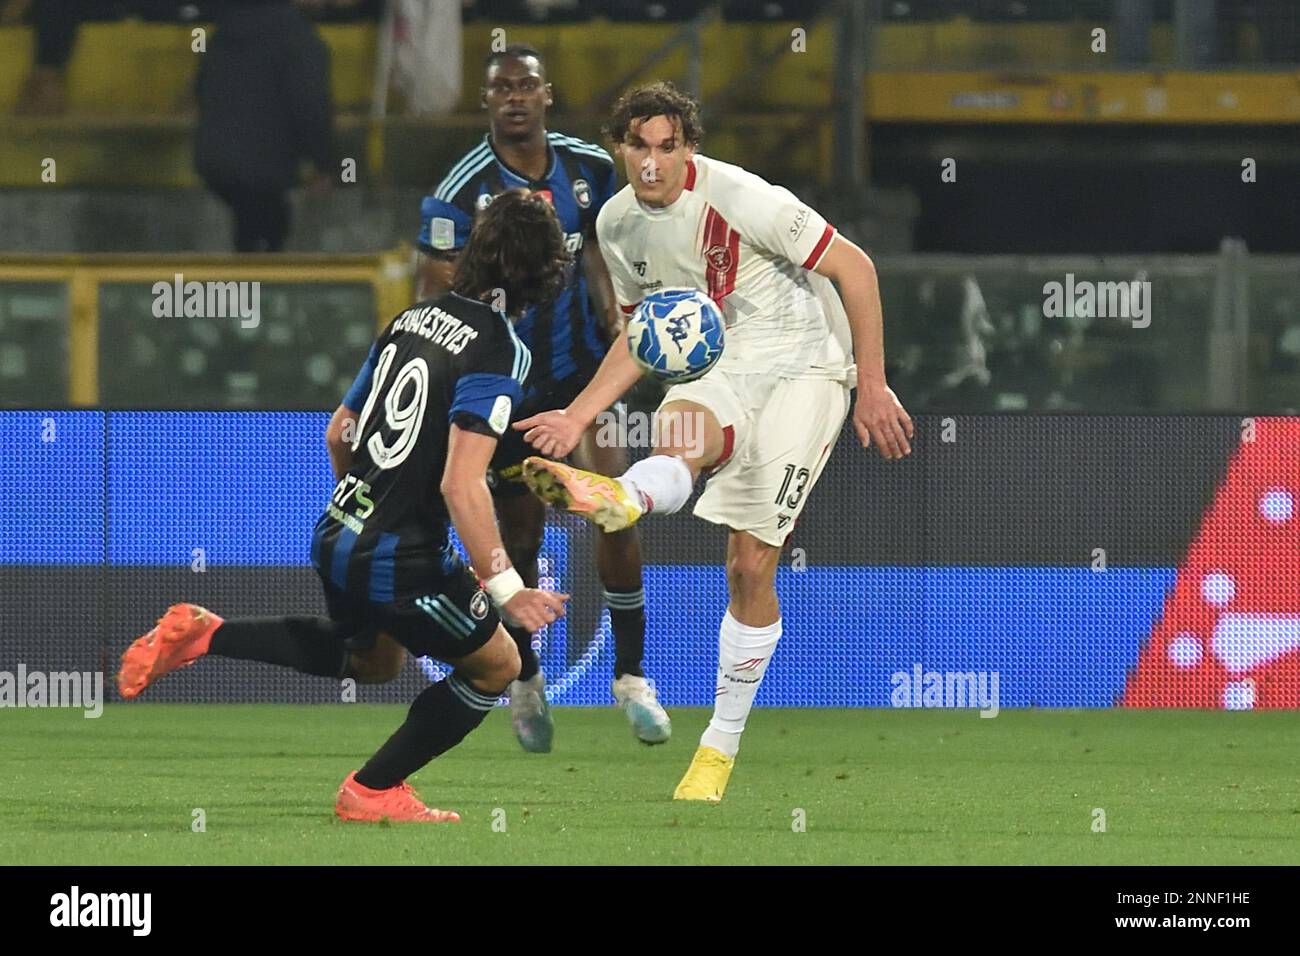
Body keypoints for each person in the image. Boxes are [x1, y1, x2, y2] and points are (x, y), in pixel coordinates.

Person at [117, 189, 571, 823]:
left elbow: (339, 431)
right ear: (544, 273)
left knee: (374, 660)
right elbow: (460, 484)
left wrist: (362, 507)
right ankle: (373, 789)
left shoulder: (409, 321)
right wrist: (505, 586)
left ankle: (206, 633)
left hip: (337, 529)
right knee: (499, 664)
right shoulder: (500, 348)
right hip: (398, 553)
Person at [515, 82, 914, 802]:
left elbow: (856, 267)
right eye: (638, 146)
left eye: (667, 147)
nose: (652, 163)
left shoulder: (744, 198)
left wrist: (874, 385)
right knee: (680, 433)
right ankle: (624, 495)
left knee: (749, 566)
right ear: (619, 147)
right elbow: (646, 336)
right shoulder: (616, 225)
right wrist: (576, 418)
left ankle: (719, 746)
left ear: (689, 148)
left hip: (805, 366)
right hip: (718, 361)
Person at [410, 43, 668, 752]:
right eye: (502, 88)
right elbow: (435, 292)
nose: (516, 97)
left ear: (547, 94)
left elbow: (605, 253)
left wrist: (622, 316)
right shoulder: (459, 191)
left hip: (584, 374)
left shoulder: (587, 168)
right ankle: (526, 677)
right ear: (487, 101)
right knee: (519, 535)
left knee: (612, 508)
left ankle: (632, 677)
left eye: (527, 85)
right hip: (509, 386)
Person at [194, 0, 336, 252]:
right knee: (268, 240)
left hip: (216, 161)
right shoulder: (299, 39)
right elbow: (310, 106)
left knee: (251, 232)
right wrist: (324, 163)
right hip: (264, 167)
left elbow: (201, 88)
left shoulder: (226, 29)